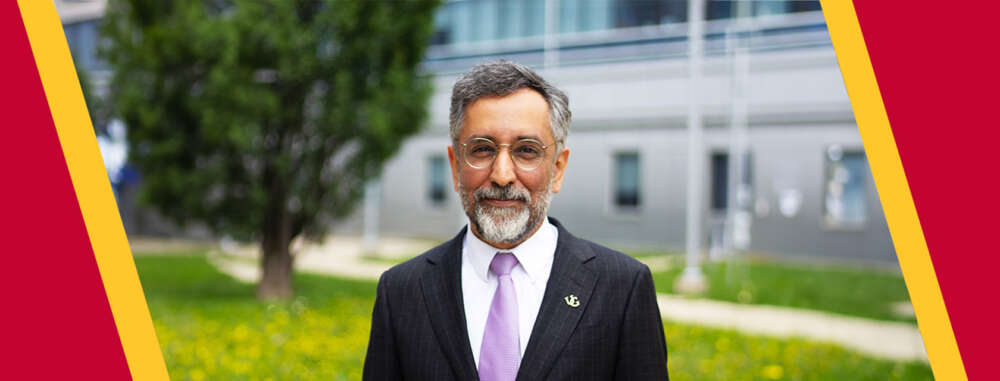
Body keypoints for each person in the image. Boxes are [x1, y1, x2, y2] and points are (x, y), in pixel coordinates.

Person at [363, 60, 668, 381]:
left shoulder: (622, 288)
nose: (502, 175)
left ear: (558, 169)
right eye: (482, 149)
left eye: (526, 150)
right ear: (454, 166)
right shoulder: (401, 292)